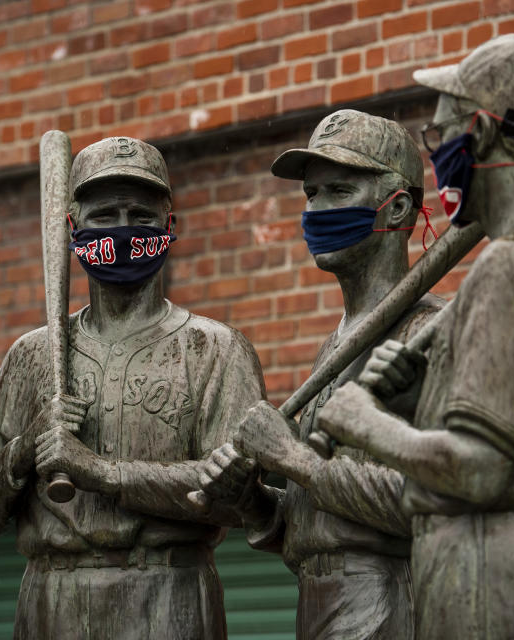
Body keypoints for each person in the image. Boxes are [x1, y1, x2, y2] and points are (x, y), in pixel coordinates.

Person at [315, 35, 514, 640]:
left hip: (489, 578)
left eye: (443, 131)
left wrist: (362, 421)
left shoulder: (513, 263)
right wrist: (421, 398)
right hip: (510, 568)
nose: (440, 147)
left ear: (481, 131)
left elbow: (479, 472)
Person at [0, 136, 266, 640]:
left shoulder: (217, 349)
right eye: (104, 215)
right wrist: (23, 450)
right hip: (51, 599)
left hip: (170, 594)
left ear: (169, 225)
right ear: (72, 229)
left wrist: (102, 472)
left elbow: (240, 499)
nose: (124, 228)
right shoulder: (32, 354)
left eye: (140, 214)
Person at [199, 109, 442, 639]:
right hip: (319, 599)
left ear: (397, 208)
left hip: (391, 598)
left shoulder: (432, 334)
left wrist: (290, 457)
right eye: (311, 194)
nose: (316, 209)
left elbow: (428, 505)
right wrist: (249, 499)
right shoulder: (337, 340)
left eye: (337, 191)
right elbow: (314, 524)